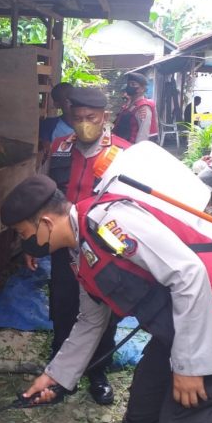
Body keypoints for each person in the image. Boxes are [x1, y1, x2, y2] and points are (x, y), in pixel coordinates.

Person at [0, 175, 212, 423]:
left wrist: (190, 366)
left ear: (45, 222)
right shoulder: (79, 250)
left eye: (23, 233)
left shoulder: (108, 224)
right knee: (144, 407)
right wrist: (56, 376)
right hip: (180, 322)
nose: (24, 241)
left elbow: (188, 274)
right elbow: (90, 319)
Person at [37, 86, 130, 405]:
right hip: (66, 242)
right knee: (63, 302)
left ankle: (98, 371)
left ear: (105, 117)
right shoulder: (61, 147)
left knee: (104, 307)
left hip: (104, 247)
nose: (83, 124)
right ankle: (62, 370)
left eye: (91, 118)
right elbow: (46, 195)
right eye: (77, 118)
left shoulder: (122, 152)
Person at [113, 72, 158, 144]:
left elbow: (143, 134)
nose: (129, 86)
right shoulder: (129, 104)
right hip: (121, 144)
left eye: (133, 84)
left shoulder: (143, 107)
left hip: (131, 147)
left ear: (142, 89)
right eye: (128, 84)